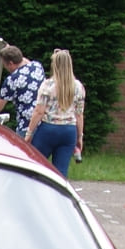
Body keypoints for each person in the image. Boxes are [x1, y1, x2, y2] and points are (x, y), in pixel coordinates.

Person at [24, 49, 85, 177]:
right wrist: (80, 136)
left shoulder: (47, 85)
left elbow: (39, 111)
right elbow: (79, 114)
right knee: (60, 171)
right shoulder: (78, 86)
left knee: (37, 166)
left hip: (48, 129)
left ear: (54, 65)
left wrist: (29, 133)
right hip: (69, 131)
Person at [0, 45, 45, 137]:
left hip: (26, 126)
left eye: (4, 64)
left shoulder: (12, 80)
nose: (5, 67)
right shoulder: (37, 66)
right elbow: (23, 60)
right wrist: (10, 49)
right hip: (43, 122)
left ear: (10, 63)